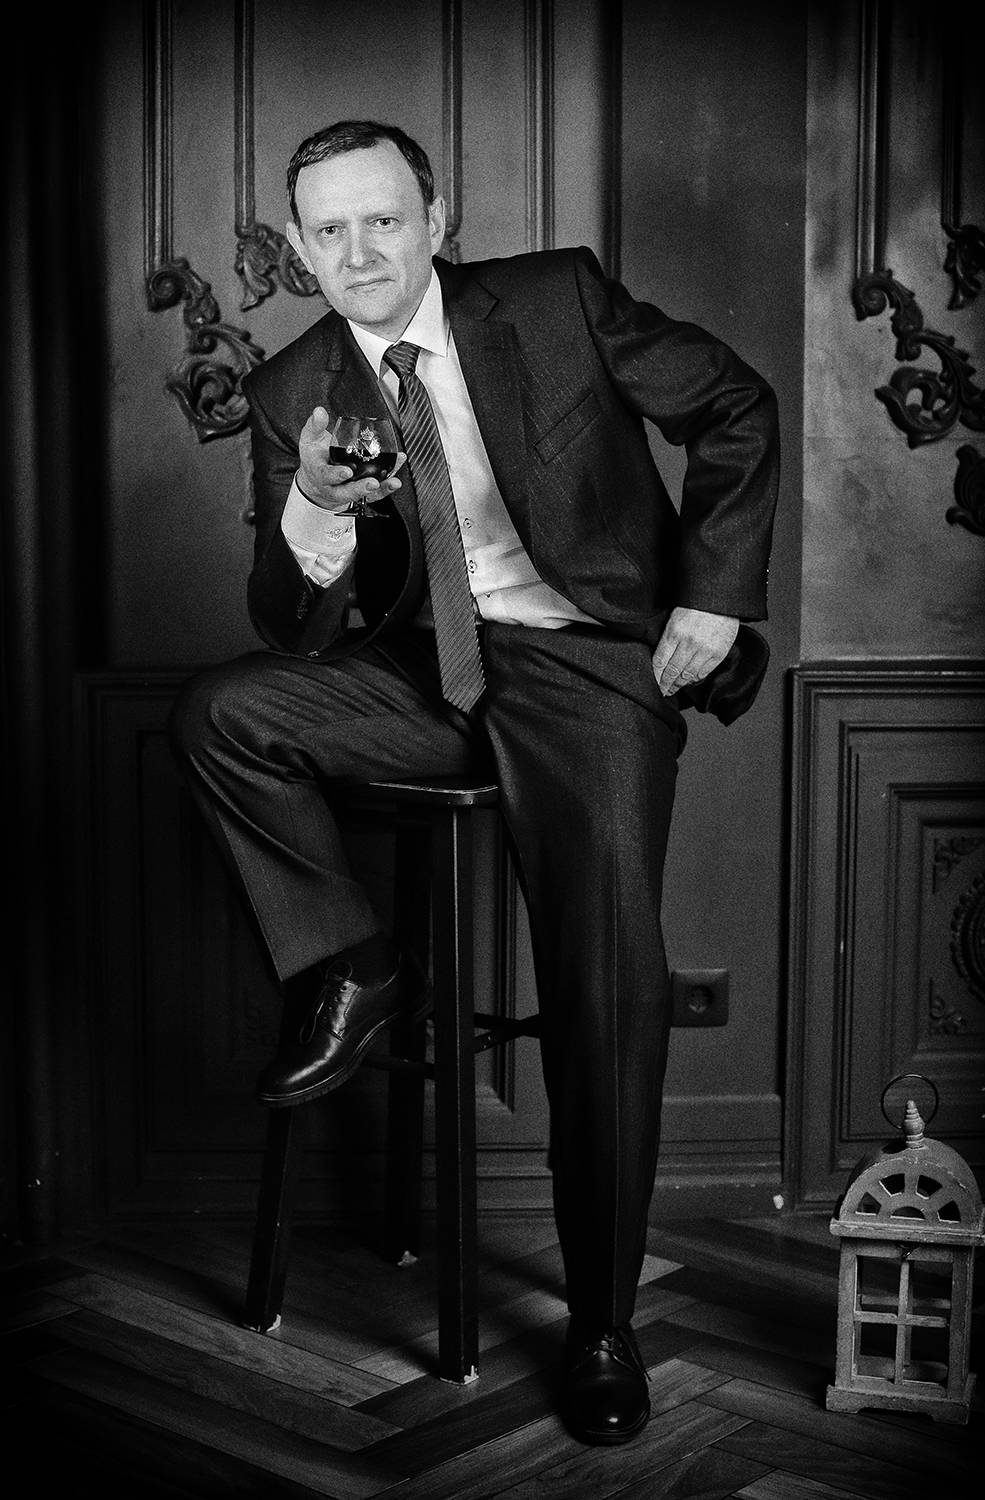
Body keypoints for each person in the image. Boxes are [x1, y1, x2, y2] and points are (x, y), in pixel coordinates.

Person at [170, 119, 778, 1446]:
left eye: (383, 219)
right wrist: (315, 513)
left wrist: (716, 598)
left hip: (585, 667)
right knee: (224, 712)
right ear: (300, 250)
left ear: (436, 219)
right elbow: (287, 628)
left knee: (605, 977)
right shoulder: (293, 391)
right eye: (328, 230)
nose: (359, 252)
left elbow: (735, 405)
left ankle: (602, 1322)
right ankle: (355, 963)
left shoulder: (554, 299)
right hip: (425, 678)